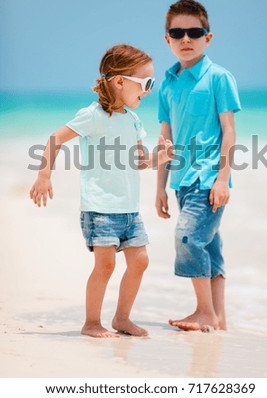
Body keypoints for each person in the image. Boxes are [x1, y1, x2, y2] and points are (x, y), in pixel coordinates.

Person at [30, 44, 173, 338]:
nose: (149, 90)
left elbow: (138, 161)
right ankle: (92, 322)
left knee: (141, 261)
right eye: (146, 83)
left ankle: (122, 319)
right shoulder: (93, 115)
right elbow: (56, 138)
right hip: (100, 207)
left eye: (152, 84)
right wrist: (44, 174)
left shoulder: (133, 120)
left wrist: (157, 158)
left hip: (129, 209)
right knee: (106, 265)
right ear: (120, 81)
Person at [156, 0, 241, 331]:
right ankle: (219, 319)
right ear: (167, 39)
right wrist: (160, 187)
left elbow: (229, 131)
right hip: (181, 182)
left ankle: (203, 312)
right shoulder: (167, 85)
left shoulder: (219, 78)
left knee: (187, 240)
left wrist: (223, 179)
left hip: (208, 180)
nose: (186, 39)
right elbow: (165, 141)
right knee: (209, 248)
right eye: (177, 32)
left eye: (194, 31)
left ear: (209, 37)